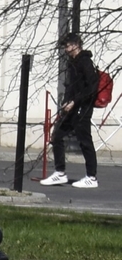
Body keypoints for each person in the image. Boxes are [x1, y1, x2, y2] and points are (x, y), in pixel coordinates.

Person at [44, 32, 100, 189]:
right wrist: (66, 102)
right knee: (57, 136)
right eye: (64, 46)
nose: (66, 49)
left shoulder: (85, 62)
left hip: (83, 107)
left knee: (84, 141)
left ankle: (91, 177)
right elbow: (71, 86)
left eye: (67, 46)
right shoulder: (72, 63)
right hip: (72, 107)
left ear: (76, 45)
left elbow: (92, 87)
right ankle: (60, 173)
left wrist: (75, 101)